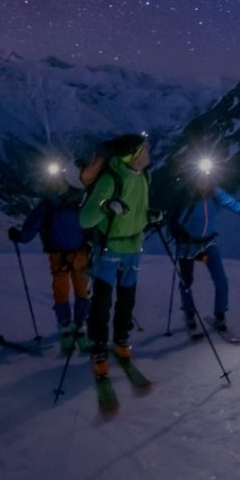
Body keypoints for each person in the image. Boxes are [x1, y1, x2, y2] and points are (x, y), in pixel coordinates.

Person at [79, 133, 159, 377]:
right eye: (143, 149)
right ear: (133, 156)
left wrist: (149, 216)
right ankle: (99, 347)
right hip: (110, 249)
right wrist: (105, 205)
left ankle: (121, 338)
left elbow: (136, 210)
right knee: (102, 303)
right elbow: (85, 219)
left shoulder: (144, 176)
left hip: (133, 249)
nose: (148, 152)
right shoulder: (111, 179)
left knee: (127, 300)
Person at [169, 164, 240, 333]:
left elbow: (234, 204)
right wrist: (177, 234)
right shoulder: (186, 196)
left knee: (221, 280)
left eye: (207, 176)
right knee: (187, 281)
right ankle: (189, 313)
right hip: (188, 246)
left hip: (208, 244)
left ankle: (220, 315)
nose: (205, 180)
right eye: (201, 176)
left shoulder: (216, 194)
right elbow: (173, 220)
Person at [8, 167, 92, 353]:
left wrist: (19, 236)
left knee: (72, 291)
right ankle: (76, 325)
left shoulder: (49, 204)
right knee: (73, 291)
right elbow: (89, 225)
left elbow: (31, 227)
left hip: (66, 255)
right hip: (74, 254)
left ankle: (70, 326)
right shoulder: (77, 201)